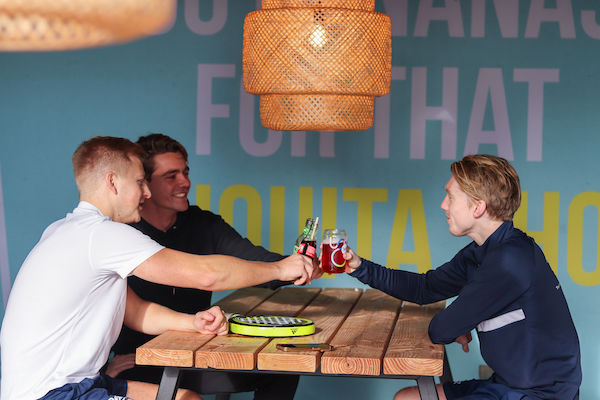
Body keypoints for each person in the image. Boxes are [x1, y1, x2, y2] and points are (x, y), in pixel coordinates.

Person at [0, 136, 314, 400]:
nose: (146, 192)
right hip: (56, 393)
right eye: (139, 183)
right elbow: (207, 275)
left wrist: (194, 323)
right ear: (113, 182)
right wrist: (278, 270)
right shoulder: (103, 235)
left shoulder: (64, 231)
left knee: (185, 398)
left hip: (77, 384)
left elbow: (135, 311)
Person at [340, 155, 581, 400]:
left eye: (451, 197)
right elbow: (425, 288)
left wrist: (457, 324)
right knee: (406, 398)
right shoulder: (482, 252)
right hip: (507, 384)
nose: (444, 205)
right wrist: (359, 267)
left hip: (541, 394)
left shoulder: (510, 260)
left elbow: (440, 329)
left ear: (478, 207)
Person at [109, 133, 309, 399]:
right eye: (171, 176)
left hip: (197, 346)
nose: (185, 182)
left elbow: (254, 260)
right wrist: (103, 370)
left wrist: (299, 264)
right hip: (141, 359)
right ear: (144, 185)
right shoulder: (120, 233)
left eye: (185, 172)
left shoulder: (203, 224)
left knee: (282, 367)